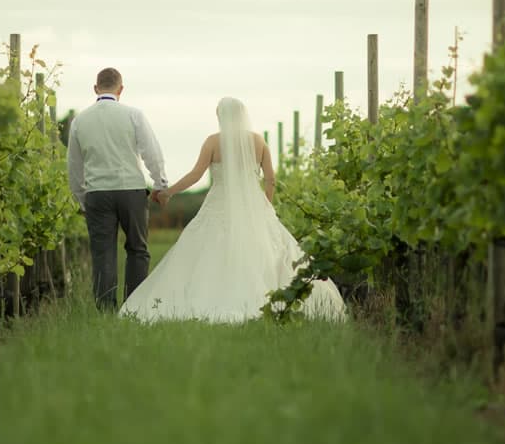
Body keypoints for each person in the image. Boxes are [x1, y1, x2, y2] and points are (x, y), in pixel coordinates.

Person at [120, 97, 346, 323]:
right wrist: (264, 204)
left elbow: (195, 175)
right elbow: (271, 179)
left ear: (222, 117)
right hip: (256, 207)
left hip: (218, 205)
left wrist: (169, 192)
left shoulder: (212, 142)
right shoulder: (258, 142)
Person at [66, 67, 169, 310]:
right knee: (137, 249)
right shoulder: (134, 115)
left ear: (95, 88)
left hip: (97, 193)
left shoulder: (79, 121)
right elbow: (151, 153)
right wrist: (160, 184)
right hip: (131, 190)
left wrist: (82, 200)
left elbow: (74, 166)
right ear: (121, 89)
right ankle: (133, 307)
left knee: (103, 254)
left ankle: (105, 310)